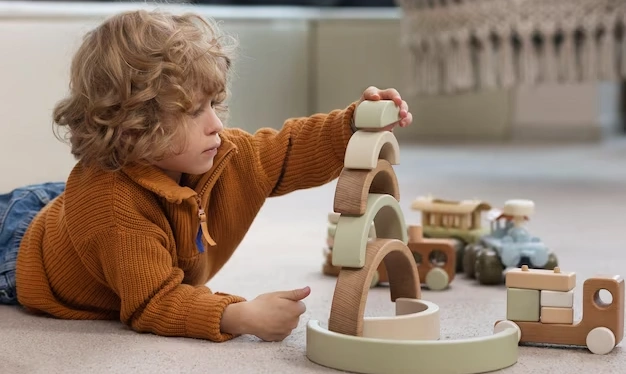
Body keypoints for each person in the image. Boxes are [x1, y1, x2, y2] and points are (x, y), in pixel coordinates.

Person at [0, 9, 412, 343]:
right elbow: (153, 302)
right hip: (18, 246)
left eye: (213, 103)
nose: (216, 123)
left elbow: (285, 152)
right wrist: (239, 315)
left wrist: (351, 125)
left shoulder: (218, 153)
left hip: (62, 209)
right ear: (133, 127)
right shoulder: (111, 209)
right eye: (194, 111)